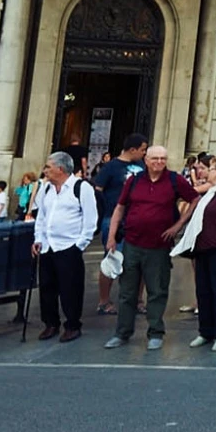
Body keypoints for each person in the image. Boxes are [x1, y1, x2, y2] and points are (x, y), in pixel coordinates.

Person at [104, 143, 197, 350]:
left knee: (157, 291)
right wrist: (112, 236)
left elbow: (194, 199)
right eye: (155, 159)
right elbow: (120, 208)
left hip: (159, 246)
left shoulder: (175, 180)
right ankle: (122, 332)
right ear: (146, 160)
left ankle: (155, 332)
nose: (159, 162)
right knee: (127, 291)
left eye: (163, 159)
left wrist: (178, 225)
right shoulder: (134, 181)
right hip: (132, 243)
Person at [175, 156, 216, 352]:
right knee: (203, 289)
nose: (205, 172)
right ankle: (205, 331)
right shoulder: (209, 192)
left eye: (210, 169)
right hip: (203, 246)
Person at [32, 151, 98, 342]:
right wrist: (38, 238)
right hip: (48, 245)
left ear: (60, 169)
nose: (45, 171)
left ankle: (72, 324)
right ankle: (50, 323)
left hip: (69, 245)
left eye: (48, 167)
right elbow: (41, 217)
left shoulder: (81, 187)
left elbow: (90, 218)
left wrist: (80, 245)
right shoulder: (46, 189)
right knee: (47, 287)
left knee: (71, 288)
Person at [89, 132, 146, 317]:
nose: (144, 154)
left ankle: (137, 299)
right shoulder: (111, 167)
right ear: (132, 149)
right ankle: (104, 301)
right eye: (142, 150)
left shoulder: (142, 166)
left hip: (137, 219)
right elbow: (98, 189)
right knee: (112, 259)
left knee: (140, 261)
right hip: (114, 217)